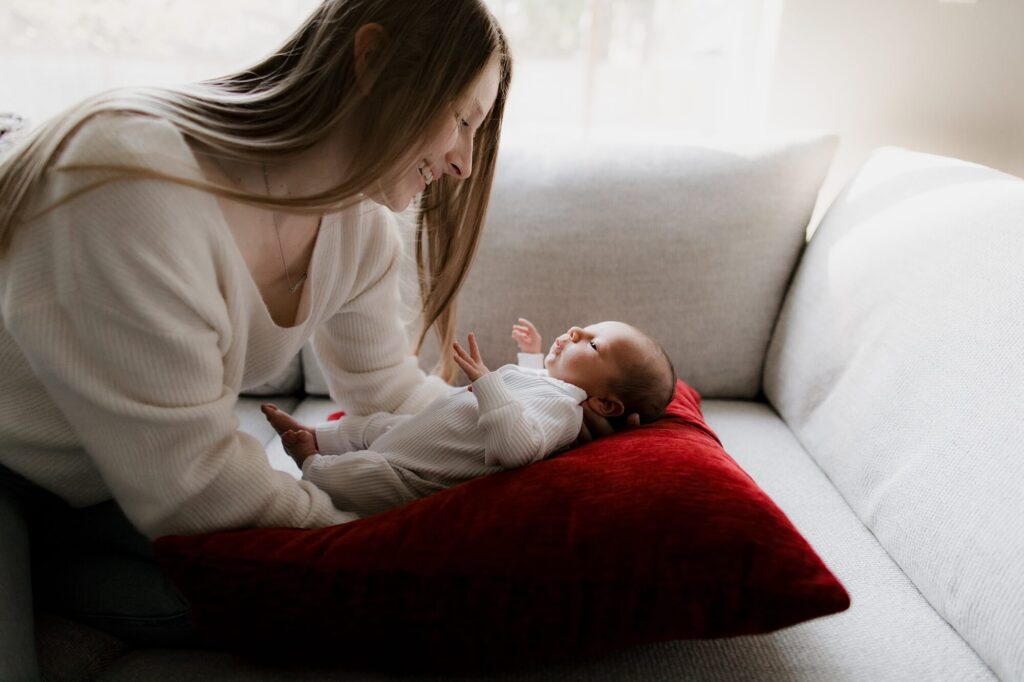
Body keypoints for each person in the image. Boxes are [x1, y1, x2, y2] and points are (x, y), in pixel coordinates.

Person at [0, 1, 512, 677]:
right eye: (463, 121)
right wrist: (368, 551)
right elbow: (196, 481)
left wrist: (516, 440)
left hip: (106, 482)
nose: (463, 164)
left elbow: (386, 390)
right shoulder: (130, 182)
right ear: (372, 60)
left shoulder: (358, 231)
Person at [261, 319, 676, 517]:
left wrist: (487, 382)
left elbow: (518, 447)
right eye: (582, 328)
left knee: (363, 474)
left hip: (414, 471)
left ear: (605, 405)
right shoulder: (556, 388)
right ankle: (319, 434)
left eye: (592, 344)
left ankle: (312, 462)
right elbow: (532, 387)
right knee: (373, 425)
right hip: (417, 432)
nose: (573, 332)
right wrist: (531, 356)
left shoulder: (564, 414)